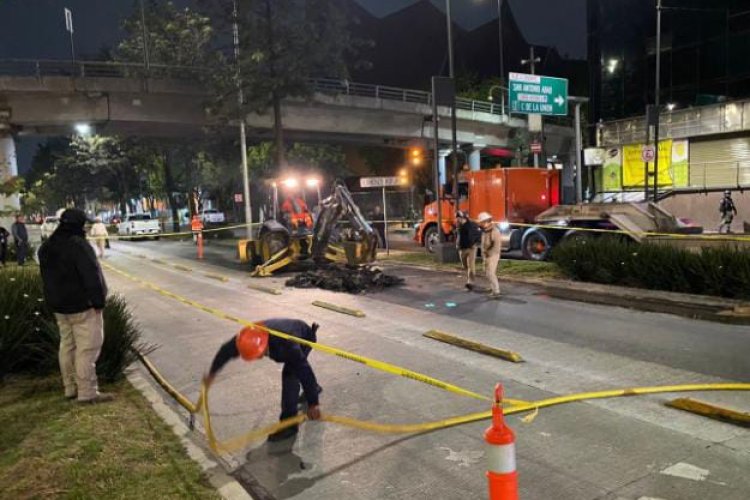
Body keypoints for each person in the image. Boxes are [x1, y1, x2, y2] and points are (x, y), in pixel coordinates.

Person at [204, 319, 322, 442]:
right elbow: (225, 351)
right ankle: (315, 388)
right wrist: (212, 373)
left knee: (290, 376)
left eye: (259, 354)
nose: (258, 358)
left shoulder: (288, 346)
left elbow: (305, 371)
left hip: (304, 336)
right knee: (297, 370)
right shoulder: (247, 337)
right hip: (291, 332)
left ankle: (289, 426)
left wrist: (314, 403)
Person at [38, 208, 112, 404]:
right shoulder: (78, 246)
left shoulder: (46, 247)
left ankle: (70, 388)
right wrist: (98, 302)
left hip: (59, 308)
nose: (86, 228)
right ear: (78, 225)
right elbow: (92, 276)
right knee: (87, 349)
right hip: (83, 306)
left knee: (67, 346)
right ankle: (87, 392)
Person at [478, 212, 502, 299]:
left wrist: (488, 252)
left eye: (482, 222)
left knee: (491, 273)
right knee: (486, 272)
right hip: (486, 255)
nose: (480, 224)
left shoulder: (494, 231)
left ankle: (496, 291)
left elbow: (495, 245)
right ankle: (492, 287)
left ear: (487, 221)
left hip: (492, 255)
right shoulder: (485, 231)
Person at [456, 211, 481, 290]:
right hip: (462, 249)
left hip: (471, 248)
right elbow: (458, 236)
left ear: (463, 217)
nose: (457, 219)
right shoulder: (459, 226)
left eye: (458, 218)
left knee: (471, 265)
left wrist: (476, 243)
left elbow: (479, 234)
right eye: (457, 218)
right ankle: (469, 278)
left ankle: (470, 282)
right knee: (465, 266)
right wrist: (457, 244)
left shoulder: (472, 225)